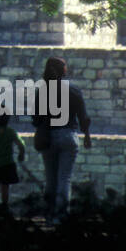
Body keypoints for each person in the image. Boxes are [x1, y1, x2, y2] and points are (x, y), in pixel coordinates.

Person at [32, 56, 91, 224]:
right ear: (62, 70)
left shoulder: (42, 91)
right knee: (64, 178)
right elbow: (83, 118)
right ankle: (61, 216)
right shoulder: (73, 90)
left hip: (48, 137)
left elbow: (36, 120)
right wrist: (87, 136)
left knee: (50, 178)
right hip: (68, 136)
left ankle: (49, 214)